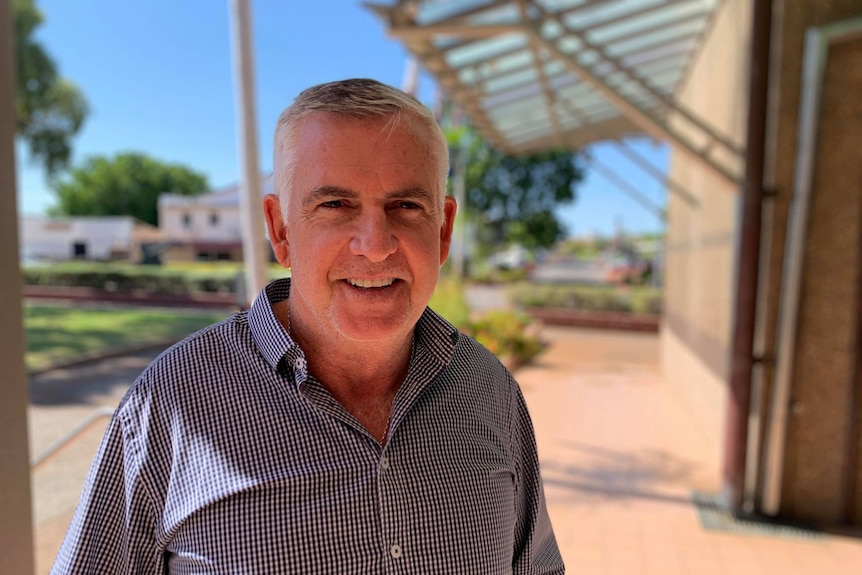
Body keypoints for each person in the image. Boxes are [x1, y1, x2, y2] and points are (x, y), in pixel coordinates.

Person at [52, 78, 565, 574]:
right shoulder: (171, 404)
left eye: (406, 206)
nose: (375, 243)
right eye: (335, 205)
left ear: (444, 229)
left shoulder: (491, 390)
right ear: (281, 230)